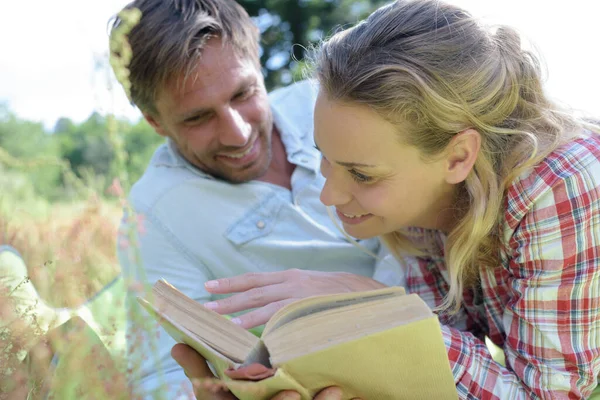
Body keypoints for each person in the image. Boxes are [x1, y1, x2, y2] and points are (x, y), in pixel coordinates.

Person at [174, 0, 600, 399]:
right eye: (325, 158)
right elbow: (436, 374)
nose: (329, 194)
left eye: (362, 174)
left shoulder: (561, 184)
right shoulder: (421, 205)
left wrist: (387, 309)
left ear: (458, 156)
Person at [108, 0, 403, 398]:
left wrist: (372, 298)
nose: (237, 133)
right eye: (198, 118)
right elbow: (156, 376)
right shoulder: (155, 215)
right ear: (155, 122)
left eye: (243, 93)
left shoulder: (328, 103)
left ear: (259, 66)